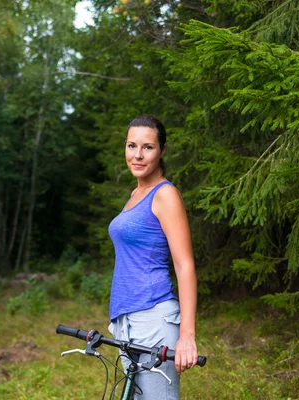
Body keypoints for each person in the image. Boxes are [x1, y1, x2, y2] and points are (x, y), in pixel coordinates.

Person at [108, 115, 198, 399]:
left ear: (162, 151)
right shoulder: (136, 194)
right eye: (131, 145)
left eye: (147, 147)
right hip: (126, 322)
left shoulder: (165, 195)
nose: (137, 155)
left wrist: (187, 336)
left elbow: (184, 265)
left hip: (155, 319)